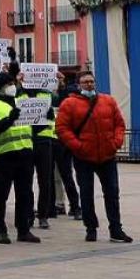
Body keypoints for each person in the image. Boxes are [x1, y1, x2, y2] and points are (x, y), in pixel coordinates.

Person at [56, 70, 133, 243]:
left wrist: (116, 143)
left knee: (112, 193)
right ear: (79, 84)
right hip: (84, 157)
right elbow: (62, 129)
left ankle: (116, 229)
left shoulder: (108, 101)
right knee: (86, 193)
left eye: (91, 81)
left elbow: (119, 124)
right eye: (85, 82)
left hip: (107, 155)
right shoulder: (69, 104)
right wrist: (78, 146)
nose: (89, 84)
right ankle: (91, 228)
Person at [0, 70, 39, 245]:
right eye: (8, 84)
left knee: (24, 194)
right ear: (0, 87)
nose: (12, 87)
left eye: (13, 83)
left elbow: (32, 128)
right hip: (5, 155)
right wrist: (9, 119)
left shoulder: (21, 102)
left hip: (25, 154)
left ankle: (23, 230)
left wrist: (43, 118)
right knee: (1, 195)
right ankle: (0, 231)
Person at [23, 74, 58, 231]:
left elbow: (58, 100)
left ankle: (43, 215)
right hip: (26, 141)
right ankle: (29, 214)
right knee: (26, 181)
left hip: (44, 141)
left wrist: (60, 83)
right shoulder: (19, 93)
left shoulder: (46, 93)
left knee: (45, 181)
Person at [52, 72, 81, 220]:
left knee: (66, 176)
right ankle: (57, 205)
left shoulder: (66, 102)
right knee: (53, 177)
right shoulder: (47, 99)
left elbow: (63, 96)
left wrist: (61, 82)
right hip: (50, 143)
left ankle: (75, 207)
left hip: (62, 144)